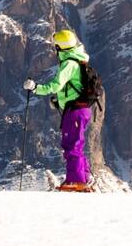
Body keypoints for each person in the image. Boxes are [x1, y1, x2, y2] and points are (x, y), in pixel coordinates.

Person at [23, 29, 93, 192]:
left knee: (71, 145)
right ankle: (85, 177)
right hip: (81, 109)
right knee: (77, 144)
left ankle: (75, 181)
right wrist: (61, 101)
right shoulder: (79, 60)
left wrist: (35, 88)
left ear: (60, 48)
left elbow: (55, 85)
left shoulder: (69, 63)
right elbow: (73, 88)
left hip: (74, 111)